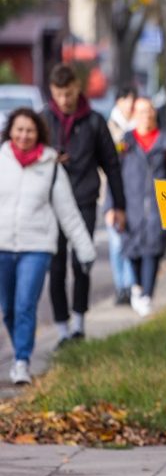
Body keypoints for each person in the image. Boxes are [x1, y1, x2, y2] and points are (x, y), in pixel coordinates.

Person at [0, 108, 95, 385]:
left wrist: (85, 249)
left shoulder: (50, 166)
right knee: (8, 309)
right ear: (11, 131)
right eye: (19, 129)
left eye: (29, 130)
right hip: (3, 245)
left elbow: (69, 213)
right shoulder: (2, 160)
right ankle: (20, 348)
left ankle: (21, 361)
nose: (24, 135)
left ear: (38, 133)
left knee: (25, 304)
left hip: (36, 246)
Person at [42, 63, 126, 345]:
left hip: (84, 201)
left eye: (68, 93)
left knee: (82, 263)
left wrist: (119, 206)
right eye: (58, 94)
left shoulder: (93, 121)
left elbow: (111, 165)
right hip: (51, 205)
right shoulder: (44, 120)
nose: (64, 100)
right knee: (55, 267)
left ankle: (79, 324)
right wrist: (48, 159)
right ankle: (62, 329)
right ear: (52, 92)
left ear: (77, 88)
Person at [118, 98, 166, 317]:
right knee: (132, 250)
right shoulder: (126, 142)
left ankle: (147, 294)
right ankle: (138, 288)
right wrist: (114, 207)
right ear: (134, 115)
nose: (146, 116)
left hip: (157, 205)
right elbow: (116, 175)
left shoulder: (165, 141)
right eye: (140, 112)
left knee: (153, 250)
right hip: (132, 204)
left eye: (149, 111)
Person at [106, 86, 137, 305]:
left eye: (132, 101)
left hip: (133, 194)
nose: (130, 105)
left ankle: (129, 284)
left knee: (130, 242)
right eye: (126, 99)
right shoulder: (109, 128)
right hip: (110, 193)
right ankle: (121, 287)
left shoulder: (137, 128)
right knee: (116, 243)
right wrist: (108, 205)